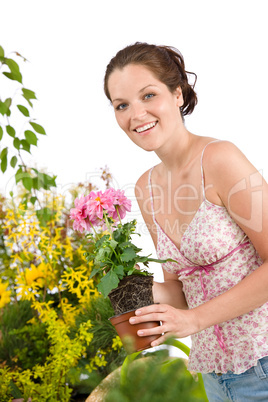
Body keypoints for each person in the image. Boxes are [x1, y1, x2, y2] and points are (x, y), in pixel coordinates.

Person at [104, 42, 268, 401]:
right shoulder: (147, 188)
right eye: (122, 105)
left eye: (148, 95)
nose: (136, 114)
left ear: (177, 94)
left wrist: (194, 321)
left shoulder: (220, 159)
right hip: (216, 377)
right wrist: (131, 289)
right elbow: (181, 291)